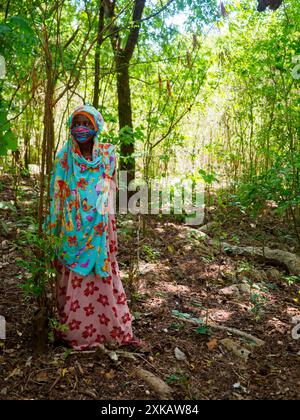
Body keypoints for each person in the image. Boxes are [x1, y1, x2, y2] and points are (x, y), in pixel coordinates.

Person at [47, 104, 149, 351]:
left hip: (100, 230)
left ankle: (114, 333)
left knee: (104, 279)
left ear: (96, 127)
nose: (80, 128)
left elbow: (111, 187)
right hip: (74, 232)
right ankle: (74, 335)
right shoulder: (64, 157)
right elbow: (57, 193)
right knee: (76, 280)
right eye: (76, 123)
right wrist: (54, 231)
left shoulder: (107, 154)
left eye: (86, 124)